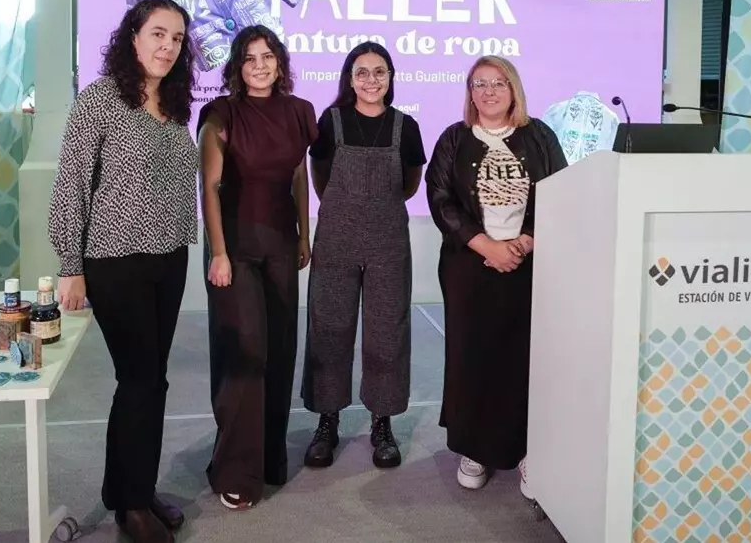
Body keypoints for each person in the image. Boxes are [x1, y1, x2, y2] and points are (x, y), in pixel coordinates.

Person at [48, 0, 197, 543]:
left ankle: (135, 488)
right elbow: (71, 184)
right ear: (133, 36)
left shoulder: (175, 106)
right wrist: (70, 265)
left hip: (169, 258)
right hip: (115, 260)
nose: (168, 46)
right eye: (158, 33)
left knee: (151, 380)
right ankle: (131, 506)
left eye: (177, 38)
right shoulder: (100, 100)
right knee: (139, 379)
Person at [425, 55, 566, 499]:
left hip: (529, 262)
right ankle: (475, 449)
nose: (488, 91)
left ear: (514, 89)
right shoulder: (454, 138)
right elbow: (440, 199)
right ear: (470, 93)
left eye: (498, 82)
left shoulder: (539, 136)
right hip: (469, 263)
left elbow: (562, 190)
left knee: (523, 358)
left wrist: (525, 242)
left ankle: (527, 449)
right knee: (473, 355)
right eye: (479, 84)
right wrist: (486, 245)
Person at [197, 25, 317, 510]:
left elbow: (298, 174)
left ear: (280, 62)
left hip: (281, 244)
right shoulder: (221, 113)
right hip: (235, 248)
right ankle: (235, 470)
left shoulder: (300, 111)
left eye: (268, 56)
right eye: (250, 58)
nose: (260, 66)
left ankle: (268, 459)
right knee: (244, 355)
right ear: (237, 66)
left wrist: (304, 234)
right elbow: (209, 186)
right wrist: (218, 252)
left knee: (280, 351)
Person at [300, 42, 427, 470]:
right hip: (336, 240)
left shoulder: (406, 127)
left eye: (379, 72)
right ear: (349, 79)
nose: (371, 80)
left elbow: (410, 184)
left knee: (387, 332)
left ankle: (382, 422)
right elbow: (320, 178)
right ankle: (327, 420)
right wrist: (348, 209)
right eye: (362, 72)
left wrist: (375, 209)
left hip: (388, 242)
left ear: (390, 78)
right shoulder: (330, 122)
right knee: (329, 328)